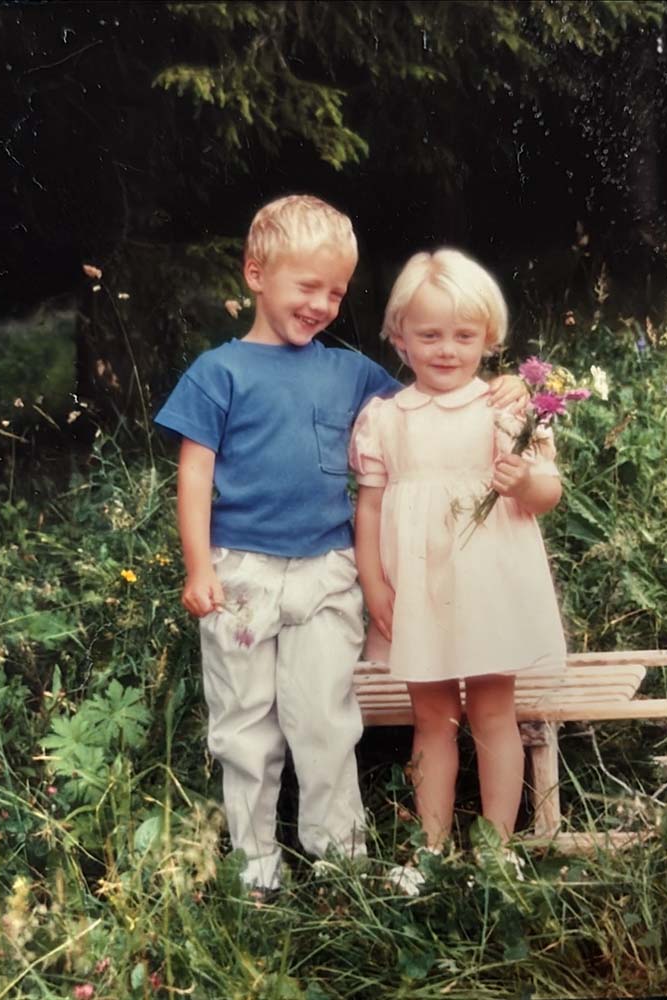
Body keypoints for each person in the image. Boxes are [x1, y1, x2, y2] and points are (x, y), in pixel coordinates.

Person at [154, 196, 526, 892]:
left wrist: (501, 387)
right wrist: (199, 566)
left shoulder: (348, 373)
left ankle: (339, 856)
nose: (322, 305)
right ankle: (255, 864)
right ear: (255, 274)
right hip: (240, 573)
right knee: (244, 723)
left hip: (328, 572)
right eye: (308, 286)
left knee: (326, 717)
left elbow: (433, 394)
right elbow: (194, 471)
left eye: (336, 291)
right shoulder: (218, 372)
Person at [349, 247, 568, 876]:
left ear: (488, 338)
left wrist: (525, 481)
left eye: (464, 336)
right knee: (432, 718)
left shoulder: (505, 409)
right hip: (420, 590)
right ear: (400, 338)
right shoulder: (385, 419)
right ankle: (431, 849)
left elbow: (547, 493)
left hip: (490, 584)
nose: (447, 350)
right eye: (430, 335)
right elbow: (369, 508)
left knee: (496, 712)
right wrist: (374, 583)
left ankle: (498, 849)